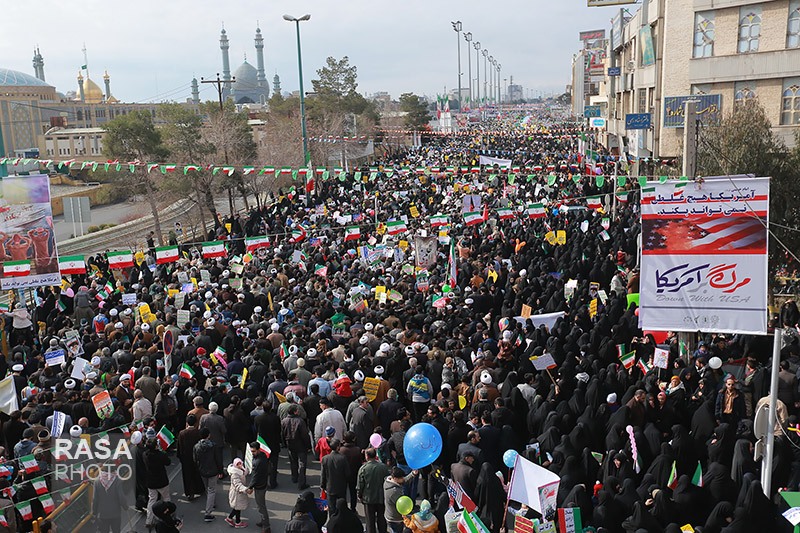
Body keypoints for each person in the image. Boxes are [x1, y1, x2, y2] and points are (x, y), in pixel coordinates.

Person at [357, 447, 391, 533]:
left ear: (367, 456)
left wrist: (359, 495)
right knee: (381, 517)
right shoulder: (383, 467)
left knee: (370, 520)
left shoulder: (363, 468)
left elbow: (360, 484)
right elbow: (388, 481)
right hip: (381, 497)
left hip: (368, 498)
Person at [281, 403, 311, 490]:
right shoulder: (300, 421)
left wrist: (284, 443)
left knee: (293, 461)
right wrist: (308, 445)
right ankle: (302, 482)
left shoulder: (284, 421)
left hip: (290, 444)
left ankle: (294, 477)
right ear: (295, 412)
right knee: (302, 463)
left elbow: (282, 434)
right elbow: (305, 435)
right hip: (301, 445)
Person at [143, 437, 171, 529]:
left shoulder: (145, 455)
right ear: (156, 446)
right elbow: (168, 462)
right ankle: (168, 517)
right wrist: (163, 451)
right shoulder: (161, 455)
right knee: (166, 498)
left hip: (151, 481)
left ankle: (149, 520)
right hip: (162, 481)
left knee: (152, 500)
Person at [193, 427, 218, 522]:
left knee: (207, 488)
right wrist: (220, 470)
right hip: (212, 470)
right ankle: (208, 512)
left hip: (202, 470)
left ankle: (211, 503)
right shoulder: (213, 446)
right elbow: (217, 459)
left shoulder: (196, 446)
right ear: (209, 435)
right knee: (212, 489)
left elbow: (195, 459)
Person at [176, 414, 203, 500]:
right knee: (197, 474)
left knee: (187, 475)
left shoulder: (182, 433)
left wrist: (180, 457)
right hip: (196, 457)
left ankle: (189, 493)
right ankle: (199, 489)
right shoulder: (198, 432)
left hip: (186, 458)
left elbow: (179, 446)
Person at [384, 467, 419, 533]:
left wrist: (412, 474)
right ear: (395, 478)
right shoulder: (394, 492)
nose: (403, 479)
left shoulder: (388, 481)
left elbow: (403, 480)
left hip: (390, 516)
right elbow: (402, 507)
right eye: (401, 478)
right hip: (395, 519)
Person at [321, 438, 350, 516]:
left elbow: (323, 474)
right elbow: (347, 474)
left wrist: (322, 486)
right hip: (341, 486)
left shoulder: (325, 459)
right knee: (342, 506)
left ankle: (332, 523)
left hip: (330, 487)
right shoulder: (343, 458)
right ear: (338, 447)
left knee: (331, 508)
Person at [247, 440, 271, 532]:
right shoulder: (263, 456)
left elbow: (255, 476)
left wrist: (250, 487)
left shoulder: (258, 462)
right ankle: (263, 521)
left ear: (258, 450)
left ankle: (266, 526)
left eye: (253, 451)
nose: (252, 453)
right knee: (261, 505)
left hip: (260, 486)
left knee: (261, 506)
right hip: (263, 483)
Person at [226, 457, 249, 528]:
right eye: (238, 464)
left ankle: (233, 519)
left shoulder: (240, 470)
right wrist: (246, 489)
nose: (240, 465)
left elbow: (244, 473)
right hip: (237, 494)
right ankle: (237, 522)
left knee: (237, 508)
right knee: (237, 507)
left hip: (239, 493)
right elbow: (237, 485)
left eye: (240, 463)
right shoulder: (235, 474)